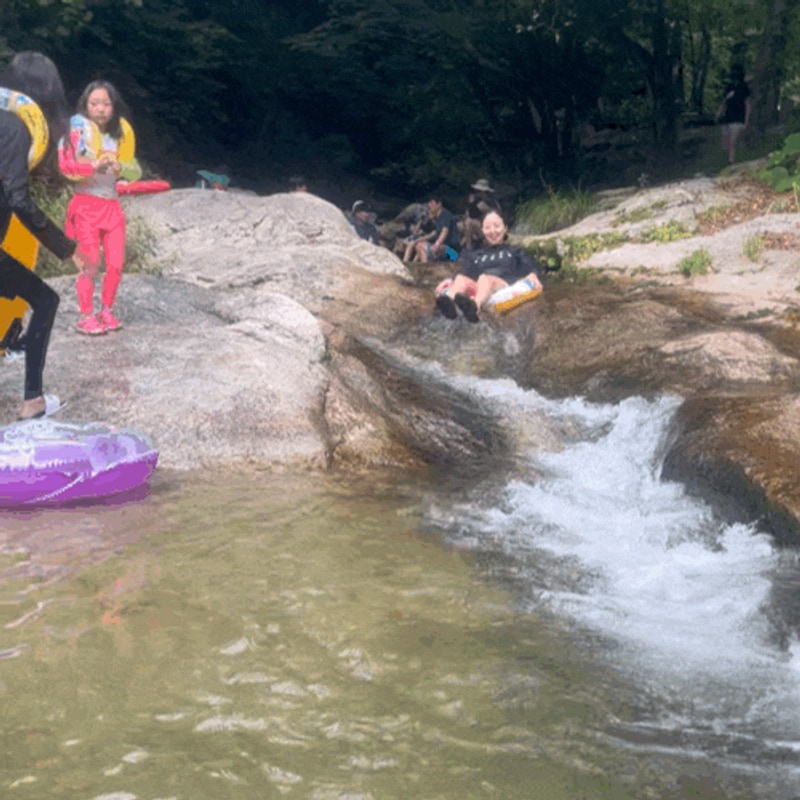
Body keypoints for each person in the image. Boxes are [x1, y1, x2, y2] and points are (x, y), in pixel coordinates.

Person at [0, 52, 80, 420]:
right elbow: (18, 199)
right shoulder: (15, 128)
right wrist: (65, 248)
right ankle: (33, 401)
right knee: (45, 301)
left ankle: (8, 340)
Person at [58, 79, 142, 335]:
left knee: (116, 263)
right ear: (86, 105)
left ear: (114, 107)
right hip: (85, 204)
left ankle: (106, 309)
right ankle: (85, 315)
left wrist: (120, 167)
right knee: (89, 263)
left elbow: (135, 170)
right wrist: (93, 167)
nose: (101, 109)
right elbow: (66, 166)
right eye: (95, 103)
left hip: (112, 206)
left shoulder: (121, 132)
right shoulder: (76, 130)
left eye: (106, 103)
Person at [434, 210, 542, 323]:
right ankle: (449, 302)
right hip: (480, 286)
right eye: (488, 227)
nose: (492, 231)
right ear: (483, 230)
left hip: (504, 284)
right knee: (461, 279)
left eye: (497, 226)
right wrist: (450, 281)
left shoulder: (514, 251)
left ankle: (475, 306)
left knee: (485, 278)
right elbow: (464, 272)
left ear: (505, 228)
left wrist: (533, 275)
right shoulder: (476, 254)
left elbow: (530, 267)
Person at [716, 65, 751, 165]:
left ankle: (731, 160)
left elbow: (748, 104)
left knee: (732, 140)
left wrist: (746, 120)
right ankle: (728, 157)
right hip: (728, 117)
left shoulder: (744, 88)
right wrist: (719, 113)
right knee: (725, 141)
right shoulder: (728, 87)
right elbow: (724, 102)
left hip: (738, 117)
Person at [414, 195, 460, 263]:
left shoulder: (445, 215)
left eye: (432, 203)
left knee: (420, 246)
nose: (429, 205)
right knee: (419, 245)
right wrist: (420, 239)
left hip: (452, 252)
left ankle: (425, 267)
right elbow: (435, 233)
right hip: (444, 248)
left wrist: (436, 245)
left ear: (439, 204)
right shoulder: (438, 218)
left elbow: (445, 232)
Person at [462, 178, 501, 251]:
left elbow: (472, 215)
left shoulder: (487, 203)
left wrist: (471, 203)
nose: (476, 194)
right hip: (484, 228)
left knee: (469, 222)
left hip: (490, 231)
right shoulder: (484, 202)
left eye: (478, 192)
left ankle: (468, 248)